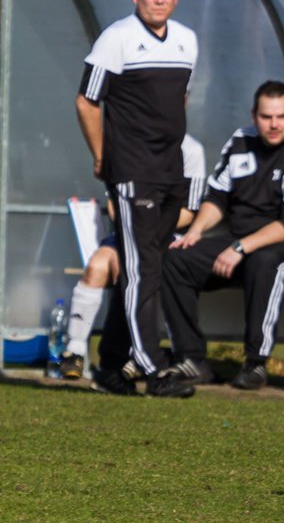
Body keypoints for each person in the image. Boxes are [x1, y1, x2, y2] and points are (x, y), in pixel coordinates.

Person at [73, 0, 199, 398]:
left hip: (171, 172)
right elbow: (87, 102)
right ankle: (152, 367)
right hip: (131, 172)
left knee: (146, 268)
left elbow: (178, 101)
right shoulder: (117, 39)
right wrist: (103, 156)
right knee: (142, 268)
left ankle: (109, 365)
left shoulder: (187, 40)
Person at [159, 81, 284, 390]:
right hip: (240, 244)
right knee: (175, 258)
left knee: (263, 260)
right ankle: (192, 359)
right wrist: (195, 231)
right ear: (253, 115)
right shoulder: (240, 141)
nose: (274, 124)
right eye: (266, 116)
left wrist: (241, 247)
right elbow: (218, 198)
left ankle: (256, 363)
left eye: (281, 117)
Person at [58, 135, 206, 380]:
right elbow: (115, 204)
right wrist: (133, 238)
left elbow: (188, 213)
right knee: (97, 265)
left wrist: (144, 238)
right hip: (128, 232)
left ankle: (138, 356)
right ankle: (74, 351)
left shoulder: (191, 150)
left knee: (136, 270)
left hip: (166, 236)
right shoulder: (129, 143)